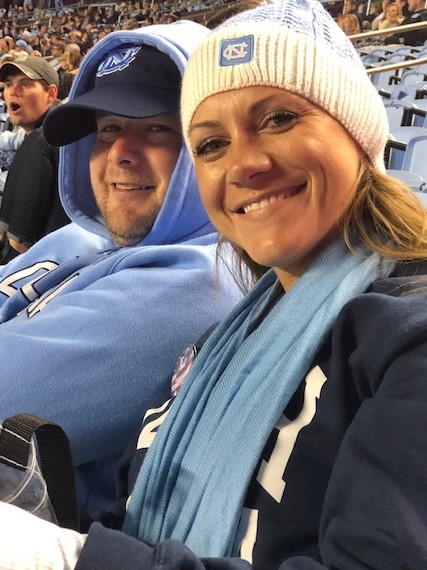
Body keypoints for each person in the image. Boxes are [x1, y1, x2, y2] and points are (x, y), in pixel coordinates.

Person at [2, 0, 427, 567]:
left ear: (356, 129)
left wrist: (61, 557)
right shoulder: (222, 343)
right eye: (210, 144)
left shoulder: (408, 337)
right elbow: (131, 515)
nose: (243, 164)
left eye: (278, 119)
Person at [0, 22, 243, 517]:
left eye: (157, 128)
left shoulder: (198, 282)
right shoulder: (87, 235)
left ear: (214, 145)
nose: (120, 154)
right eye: (108, 128)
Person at [0, 56, 69, 262]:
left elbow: (19, 244)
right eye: (8, 84)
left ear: (51, 94)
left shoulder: (40, 140)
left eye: (25, 84)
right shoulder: (60, 129)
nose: (13, 91)